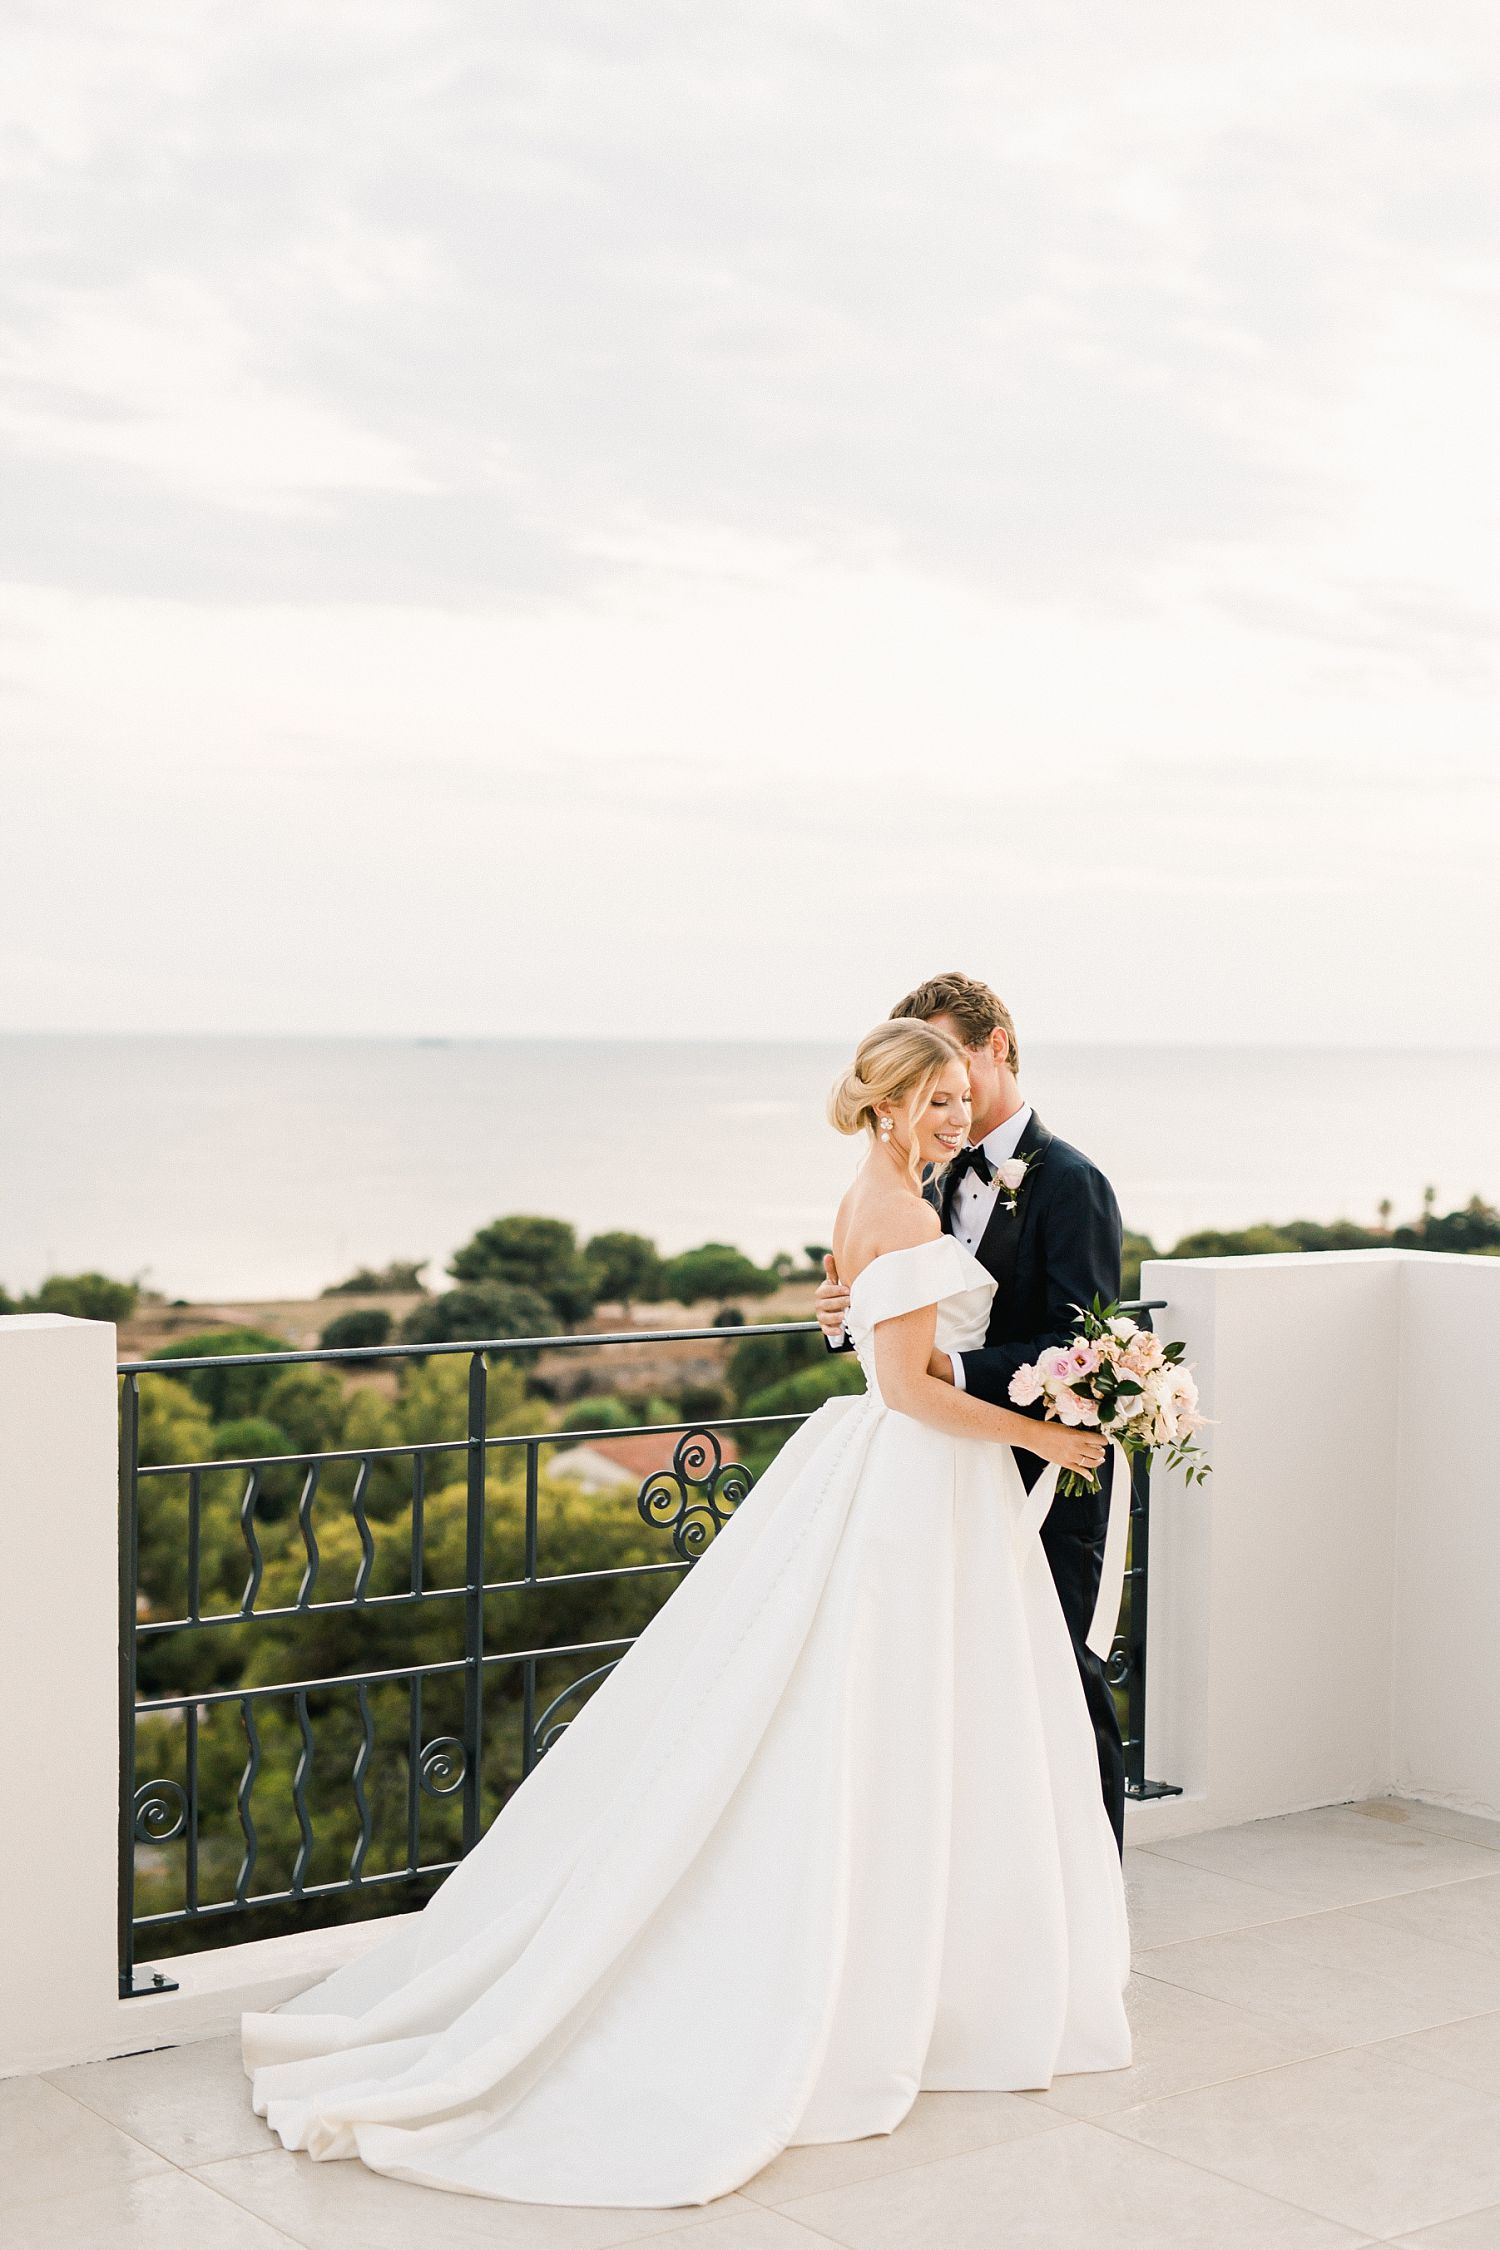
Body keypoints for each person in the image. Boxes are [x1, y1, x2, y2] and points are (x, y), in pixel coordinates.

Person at [242, 1020, 1131, 2209]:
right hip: (921, 1475)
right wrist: (1044, 1432)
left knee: (916, 1718)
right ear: (884, 1108)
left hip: (905, 1482)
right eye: (931, 1104)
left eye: (956, 1102)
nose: (951, 1121)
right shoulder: (909, 1212)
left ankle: (936, 1962)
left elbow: (872, 1329)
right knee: (902, 1718)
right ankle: (900, 1973)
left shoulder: (872, 1196)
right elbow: (911, 1386)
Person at [815, 973, 1128, 1852]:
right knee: (964, 1695)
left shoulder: (1071, 1182)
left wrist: (935, 1365)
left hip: (1040, 1468)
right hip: (947, 1467)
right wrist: (846, 1320)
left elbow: (1079, 1342)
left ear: (996, 1046)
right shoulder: (929, 1176)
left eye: (955, 1073)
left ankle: (1092, 1883)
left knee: (1063, 1684)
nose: (947, 1102)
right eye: (930, 1088)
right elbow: (896, 1306)